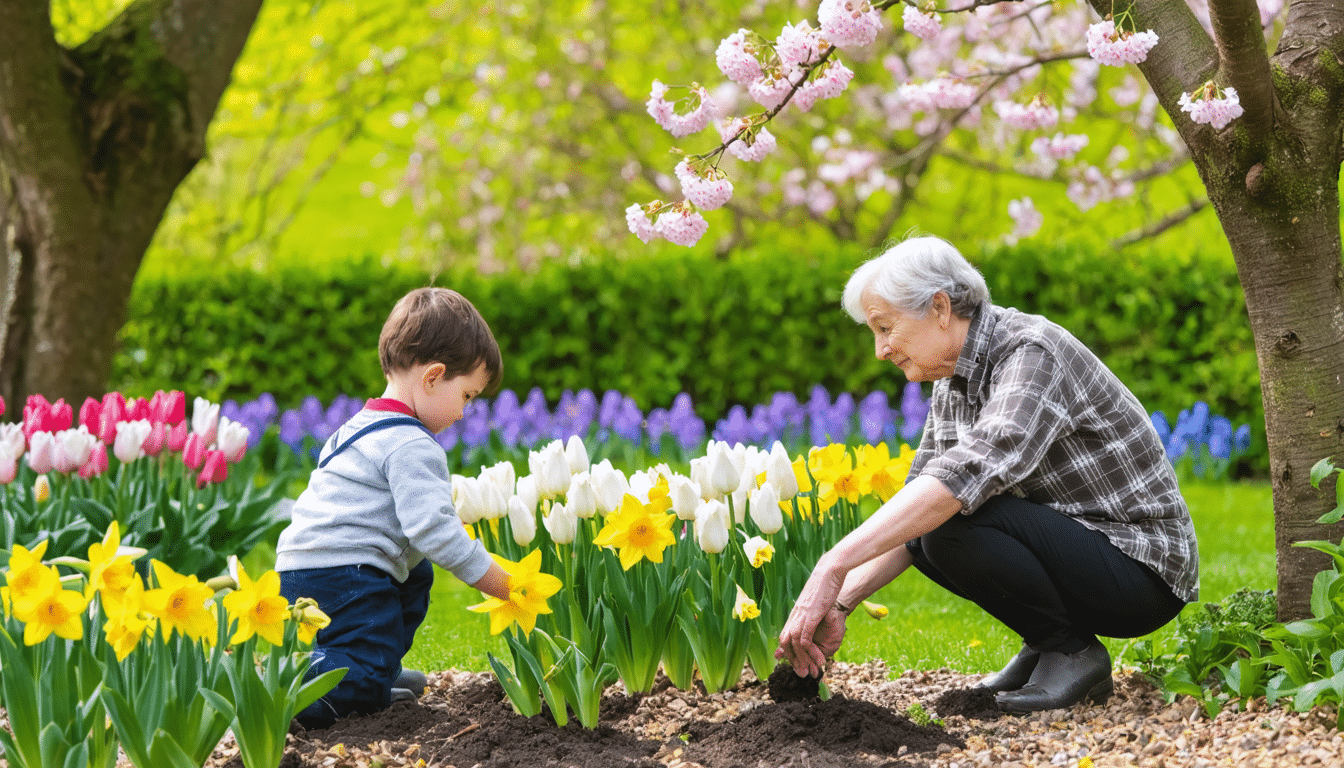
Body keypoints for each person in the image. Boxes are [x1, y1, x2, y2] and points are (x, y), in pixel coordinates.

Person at [775, 235, 1197, 713]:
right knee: (927, 523)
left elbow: (963, 477)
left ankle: (1070, 652)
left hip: (1141, 570)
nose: (880, 350)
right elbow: (917, 503)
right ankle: (1046, 646)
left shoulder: (1031, 352)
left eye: (885, 327)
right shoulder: (953, 380)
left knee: (948, 520)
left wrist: (833, 562)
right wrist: (842, 601)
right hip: (1085, 552)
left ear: (939, 307)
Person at [277, 287, 512, 729]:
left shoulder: (358, 427)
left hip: (306, 568)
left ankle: (367, 664)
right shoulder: (410, 442)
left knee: (415, 573)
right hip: (348, 574)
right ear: (433, 376)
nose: (464, 413)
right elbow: (434, 532)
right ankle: (308, 689)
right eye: (466, 396)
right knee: (361, 675)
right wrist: (498, 580)